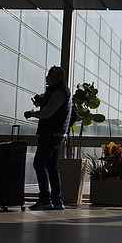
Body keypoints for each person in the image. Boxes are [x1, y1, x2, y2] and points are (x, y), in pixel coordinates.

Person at [24, 66, 72, 211]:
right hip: (57, 134)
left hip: (51, 134)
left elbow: (48, 113)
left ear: (57, 76)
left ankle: (45, 199)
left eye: (50, 75)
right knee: (51, 167)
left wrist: (32, 114)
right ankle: (57, 200)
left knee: (39, 164)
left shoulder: (59, 92)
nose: (47, 77)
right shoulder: (61, 91)